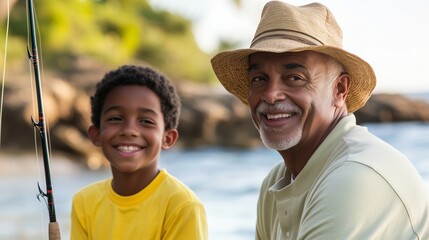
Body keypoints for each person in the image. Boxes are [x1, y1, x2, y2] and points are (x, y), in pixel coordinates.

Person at [211, 1, 429, 239]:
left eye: (294, 77)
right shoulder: (276, 181)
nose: (271, 94)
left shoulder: (354, 176)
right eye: (259, 79)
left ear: (340, 90)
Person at [70, 64, 208, 239]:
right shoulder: (83, 201)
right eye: (115, 118)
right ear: (96, 135)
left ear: (168, 138)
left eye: (146, 121)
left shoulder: (182, 206)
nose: (129, 130)